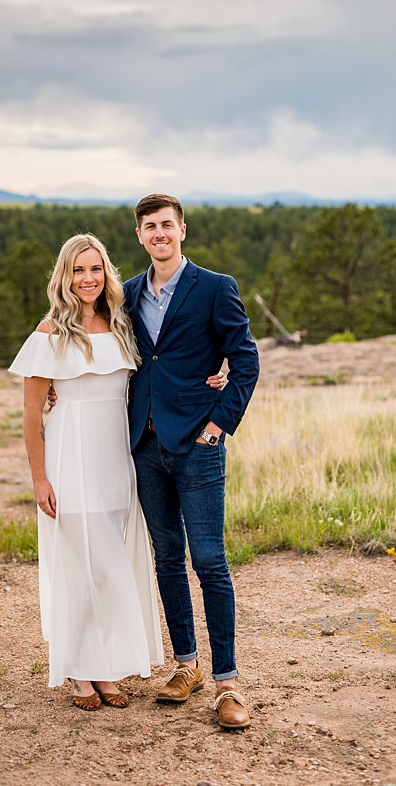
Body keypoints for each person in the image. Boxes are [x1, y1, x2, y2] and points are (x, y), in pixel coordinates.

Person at [123, 192, 261, 730]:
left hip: (198, 446)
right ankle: (186, 666)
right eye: (149, 228)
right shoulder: (128, 293)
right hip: (146, 446)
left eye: (167, 226)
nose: (159, 234)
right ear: (140, 236)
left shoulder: (215, 287)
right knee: (166, 559)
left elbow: (245, 359)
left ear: (183, 231)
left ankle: (227, 685)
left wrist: (218, 425)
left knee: (209, 560)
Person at [11, 233, 167, 710]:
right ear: (65, 276)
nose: (87, 279)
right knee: (83, 569)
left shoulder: (121, 326)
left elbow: (155, 374)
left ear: (107, 274)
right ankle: (80, 672)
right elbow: (32, 414)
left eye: (95, 269)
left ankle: (105, 668)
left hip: (116, 462)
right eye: (78, 270)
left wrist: (216, 375)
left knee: (108, 568)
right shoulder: (50, 333)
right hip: (69, 460)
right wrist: (40, 479)